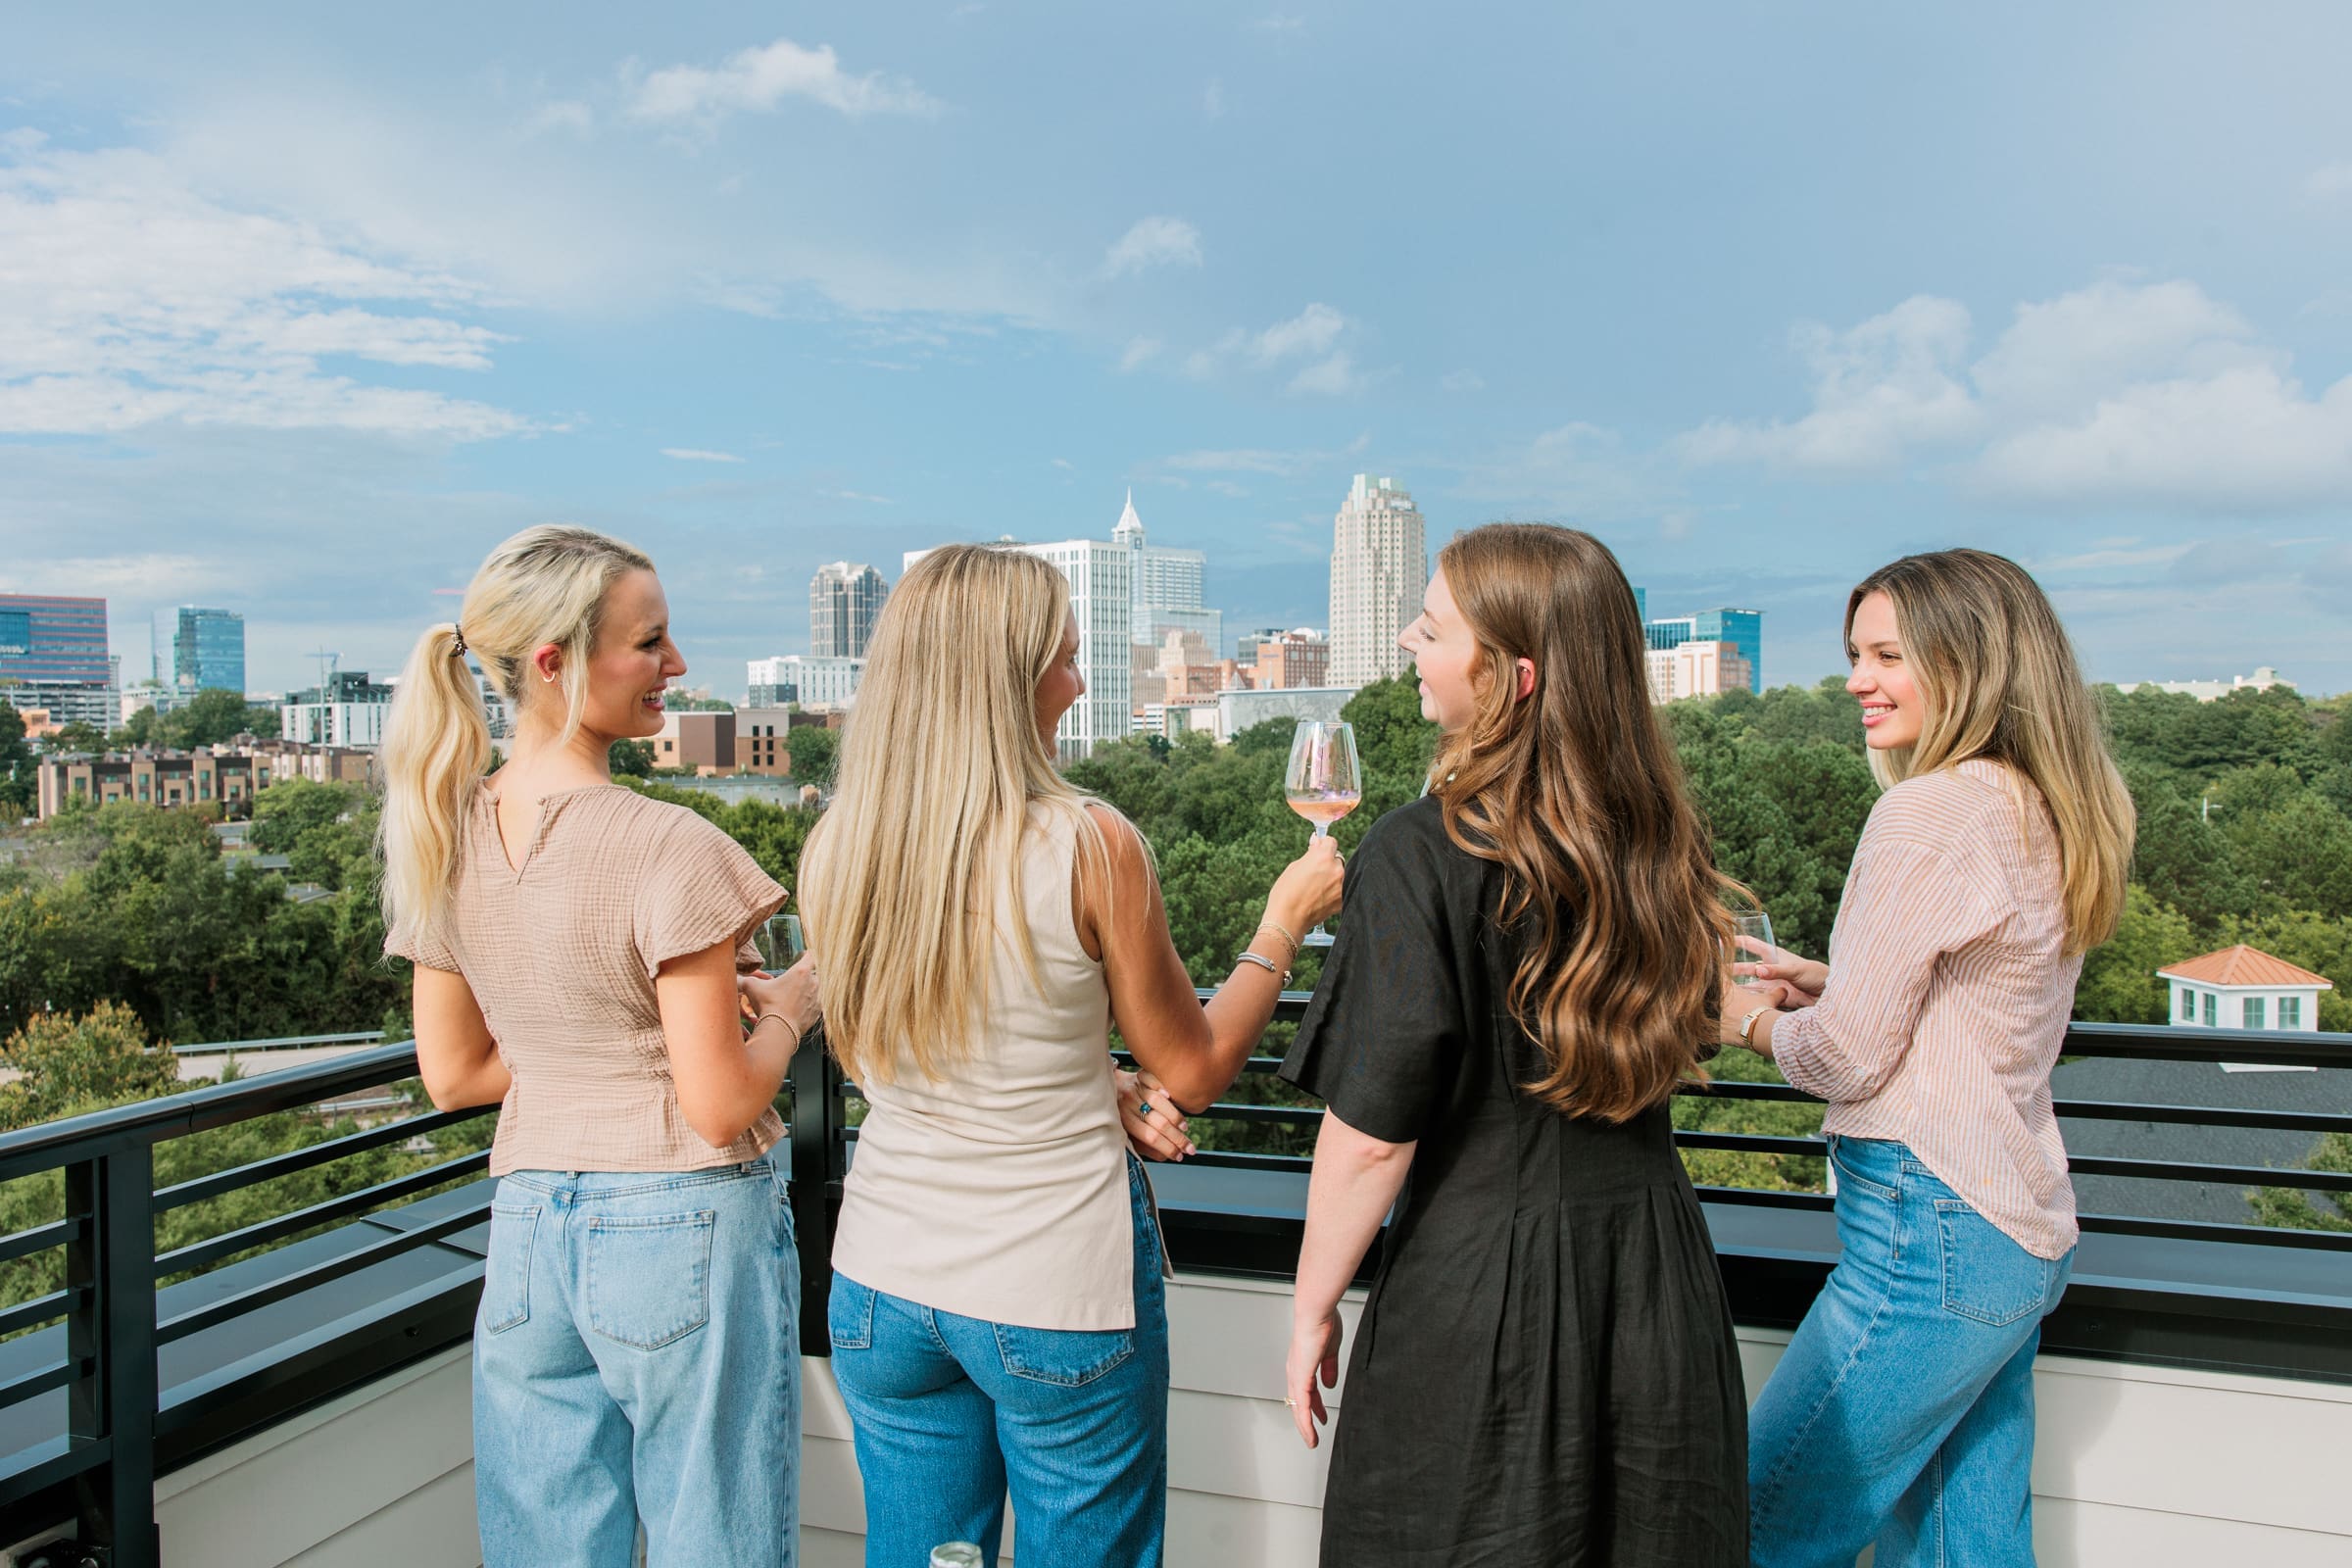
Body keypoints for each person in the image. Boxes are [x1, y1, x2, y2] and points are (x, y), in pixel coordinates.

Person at [774, 542, 1342, 1568]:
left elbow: (886, 1054)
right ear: (1003, 679)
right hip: (1052, 1295)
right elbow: (1199, 1071)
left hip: (881, 1287)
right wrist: (1281, 922)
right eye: (1065, 660)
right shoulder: (1090, 843)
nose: (1081, 684)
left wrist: (1093, 1079)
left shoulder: (838, 842)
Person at [1280, 522, 1749, 1566]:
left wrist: (1313, 1303)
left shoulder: (1419, 851)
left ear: (1510, 676)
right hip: (1657, 1286)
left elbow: (1369, 1137)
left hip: (1481, 1300)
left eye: (1434, 626)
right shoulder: (1658, 842)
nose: (1409, 638)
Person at [380, 525, 819, 1567]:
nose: (676, 666)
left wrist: (602, 1036)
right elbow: (718, 1106)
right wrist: (799, 999)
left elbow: (454, 1074)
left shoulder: (447, 835)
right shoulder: (669, 844)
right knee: (717, 1538)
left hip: (531, 1231)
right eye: (651, 642)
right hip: (683, 1217)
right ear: (553, 663)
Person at [1723, 548, 2136, 1567]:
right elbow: (1989, 1001)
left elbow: (1847, 1062)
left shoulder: (1928, 809)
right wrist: (1835, 976)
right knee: (1970, 1548)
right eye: (1855, 653)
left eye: (1888, 655)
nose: (1857, 679)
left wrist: (1738, 1015)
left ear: (1972, 663)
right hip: (2014, 1231)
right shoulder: (2041, 803)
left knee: (1753, 1526)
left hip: (1930, 1236)